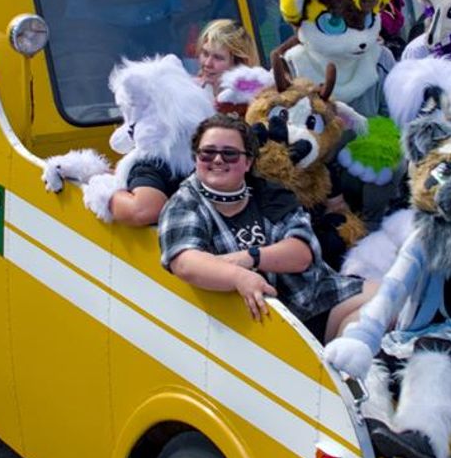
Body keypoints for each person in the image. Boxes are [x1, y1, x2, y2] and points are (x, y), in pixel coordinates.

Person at [160, 118, 373, 341]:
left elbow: (300, 254)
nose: (218, 159)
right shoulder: (185, 203)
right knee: (361, 328)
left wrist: (248, 258)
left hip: (314, 296)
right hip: (258, 321)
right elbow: (185, 263)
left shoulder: (269, 193)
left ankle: (347, 363)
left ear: (248, 162)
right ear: (196, 158)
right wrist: (238, 277)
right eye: (207, 153)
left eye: (230, 153)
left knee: (389, 301)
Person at [193, 18, 258, 94]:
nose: (207, 63)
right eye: (205, 54)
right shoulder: (187, 91)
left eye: (218, 58)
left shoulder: (254, 100)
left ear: (239, 64)